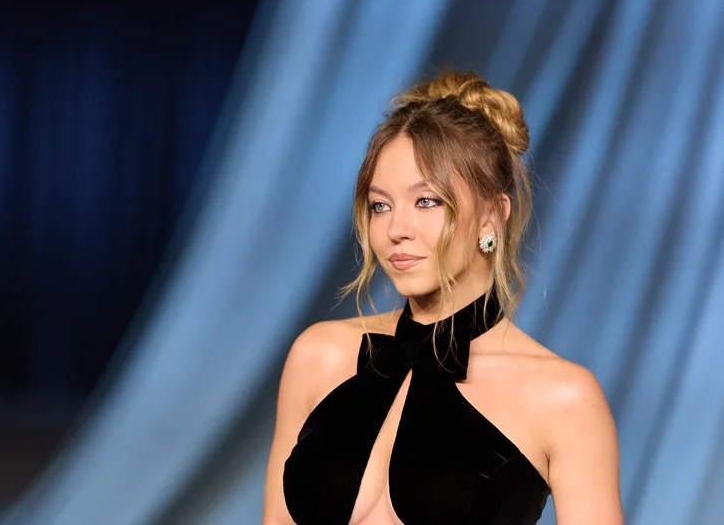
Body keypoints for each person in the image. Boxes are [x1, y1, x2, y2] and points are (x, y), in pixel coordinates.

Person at [262, 70, 624, 524]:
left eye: (427, 201)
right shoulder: (318, 356)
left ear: (493, 215)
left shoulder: (563, 398)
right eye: (380, 205)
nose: (396, 230)